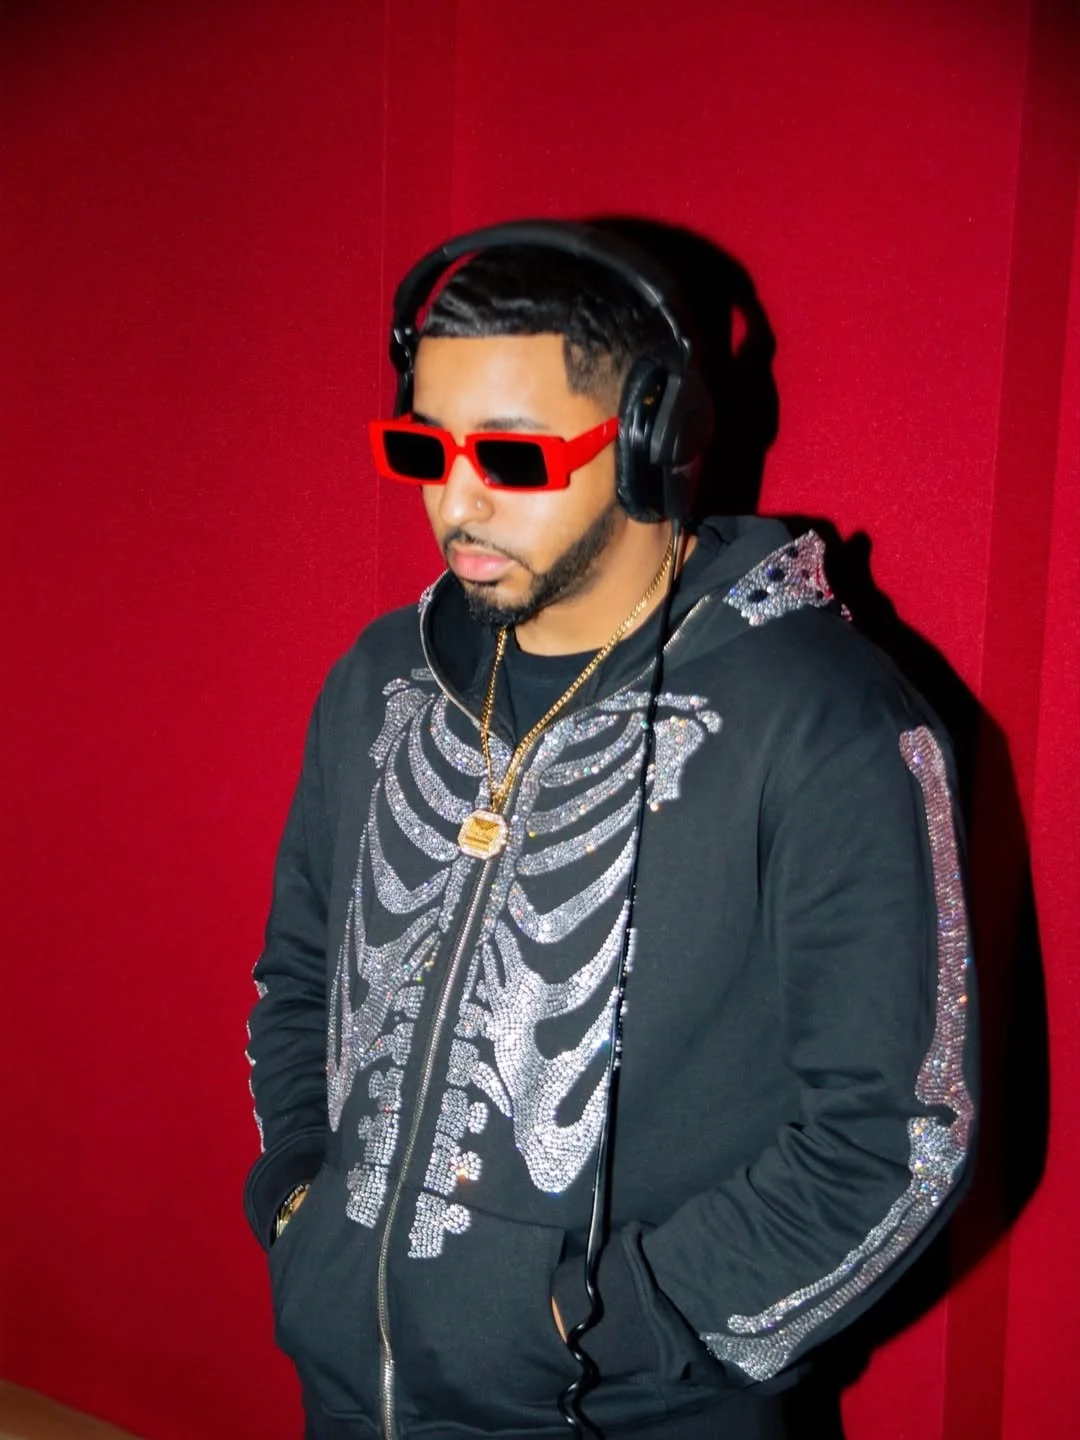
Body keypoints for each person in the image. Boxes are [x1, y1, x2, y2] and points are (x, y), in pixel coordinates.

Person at [244, 221, 977, 1440]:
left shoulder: (826, 722)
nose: (453, 499)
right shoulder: (382, 677)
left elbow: (898, 1141)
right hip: (349, 1398)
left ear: (651, 445)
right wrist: (300, 1208)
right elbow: (298, 975)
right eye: (422, 445)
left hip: (630, 1413)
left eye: (510, 459)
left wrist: (603, 1324)